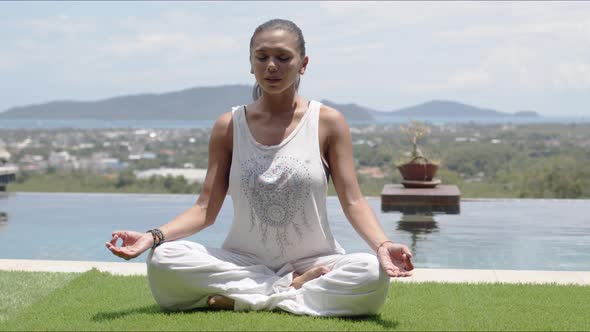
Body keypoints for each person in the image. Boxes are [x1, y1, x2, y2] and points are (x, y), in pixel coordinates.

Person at [106, 18, 414, 317]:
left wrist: (383, 245)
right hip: (241, 262)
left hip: (315, 261)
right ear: (250, 63)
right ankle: (291, 291)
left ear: (303, 64)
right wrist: (152, 236)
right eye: (262, 57)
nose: (271, 66)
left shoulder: (328, 122)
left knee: (371, 272)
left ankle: (244, 298)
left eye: (283, 57)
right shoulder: (229, 125)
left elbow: (353, 200)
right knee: (163, 259)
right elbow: (204, 208)